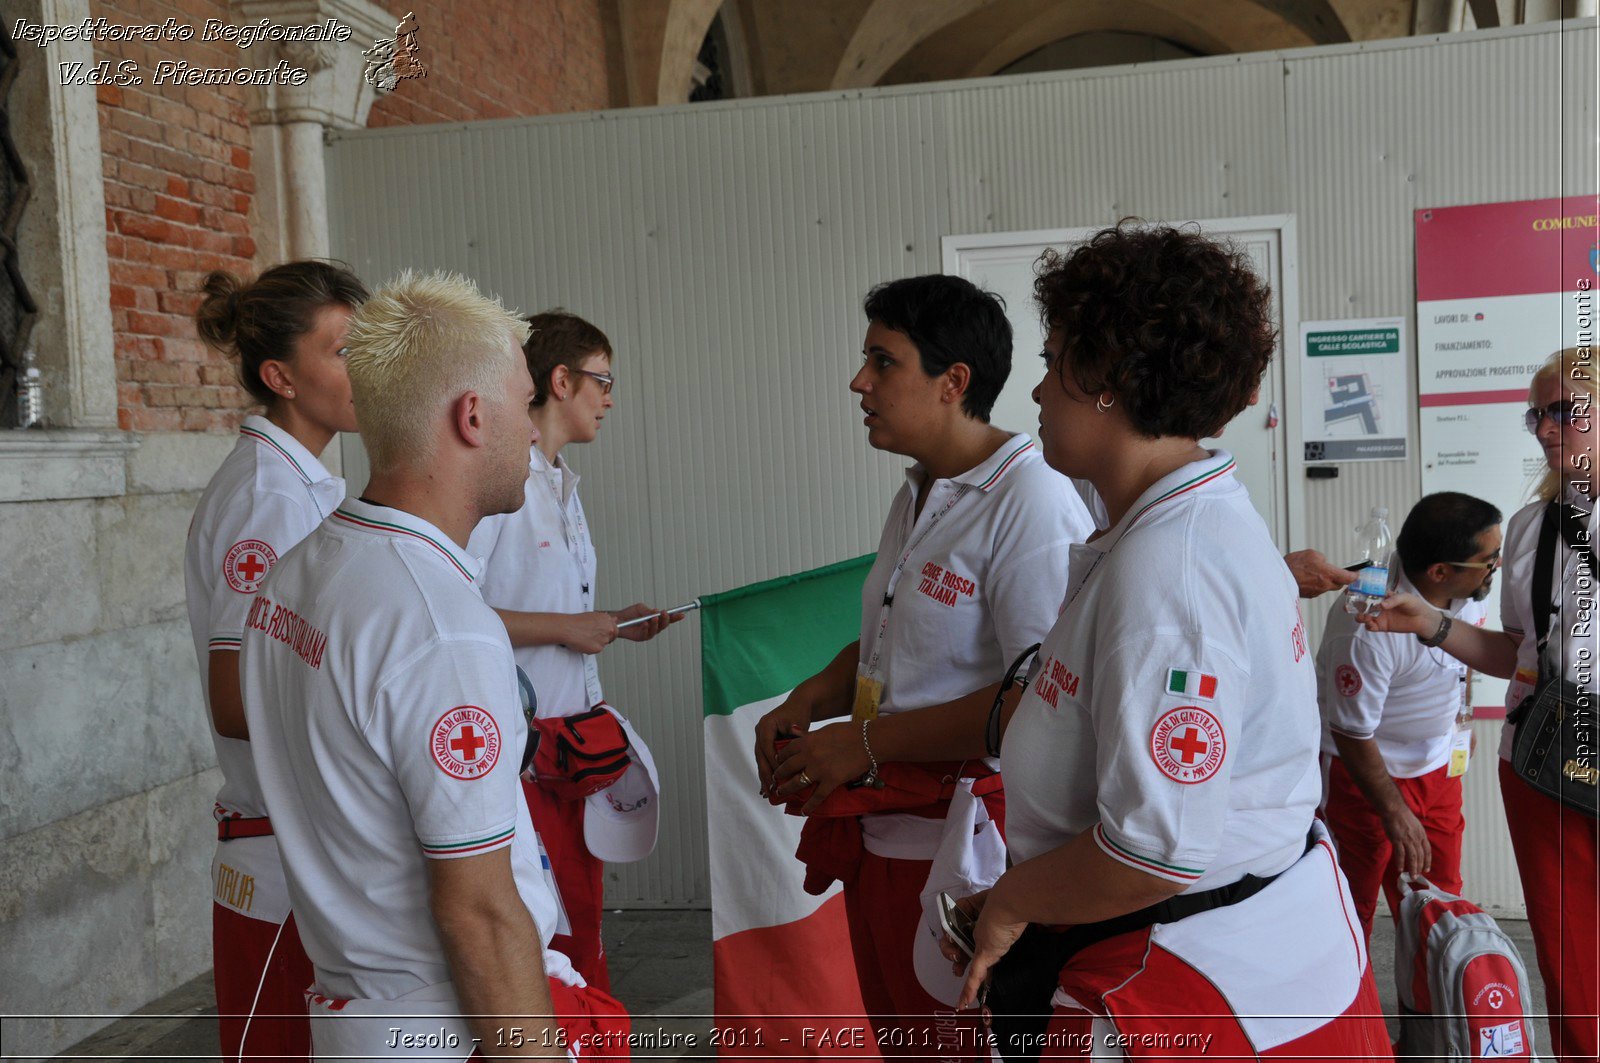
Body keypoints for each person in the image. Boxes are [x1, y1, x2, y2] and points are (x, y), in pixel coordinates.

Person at [943, 224, 1391, 1059]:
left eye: (1051, 362)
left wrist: (1012, 898)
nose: (1035, 392)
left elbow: (1152, 848)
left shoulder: (1170, 565)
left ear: (1107, 377)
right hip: (1202, 938)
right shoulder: (1175, 524)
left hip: (1184, 971)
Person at [239, 271, 627, 1059]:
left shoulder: (302, 568)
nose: (531, 430)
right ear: (472, 415)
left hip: (355, 1006)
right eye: (523, 403)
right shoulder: (440, 624)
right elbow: (479, 912)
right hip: (439, 1023)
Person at [755, 273, 1096, 1057]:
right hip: (885, 834)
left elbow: (1038, 701)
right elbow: (891, 636)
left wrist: (865, 743)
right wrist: (813, 695)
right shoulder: (921, 491)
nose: (859, 382)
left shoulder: (1030, 502)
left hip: (966, 859)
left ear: (954, 382)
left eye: (883, 361)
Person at [1362, 347, 1599, 1061]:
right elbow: (1517, 654)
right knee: (1571, 954)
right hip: (1549, 768)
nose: (1545, 430)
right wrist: (1431, 622)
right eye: (1538, 414)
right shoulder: (1531, 528)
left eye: (1565, 411)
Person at [184, 260, 367, 1062]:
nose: (364, 369)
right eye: (342, 350)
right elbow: (234, 697)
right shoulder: (270, 496)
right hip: (282, 861)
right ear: (280, 376)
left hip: (311, 853)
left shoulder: (309, 484)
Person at [470, 310, 679, 991]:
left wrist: (612, 620)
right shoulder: (502, 485)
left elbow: (555, 612)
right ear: (559, 380)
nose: (610, 398)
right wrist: (567, 628)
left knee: (579, 926)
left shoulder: (560, 482)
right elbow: (451, 616)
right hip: (522, 757)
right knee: (545, 938)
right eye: (603, 380)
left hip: (574, 749)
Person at [1316, 491, 1500, 941]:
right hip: (1361, 778)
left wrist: (1462, 719)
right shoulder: (1367, 625)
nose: (1496, 566)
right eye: (1489, 559)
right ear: (1440, 572)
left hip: (1437, 770)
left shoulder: (1468, 591)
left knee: (1440, 908)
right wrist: (1394, 812)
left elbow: (1462, 662)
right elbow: (1352, 733)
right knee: (1349, 906)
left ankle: (1427, 1008)